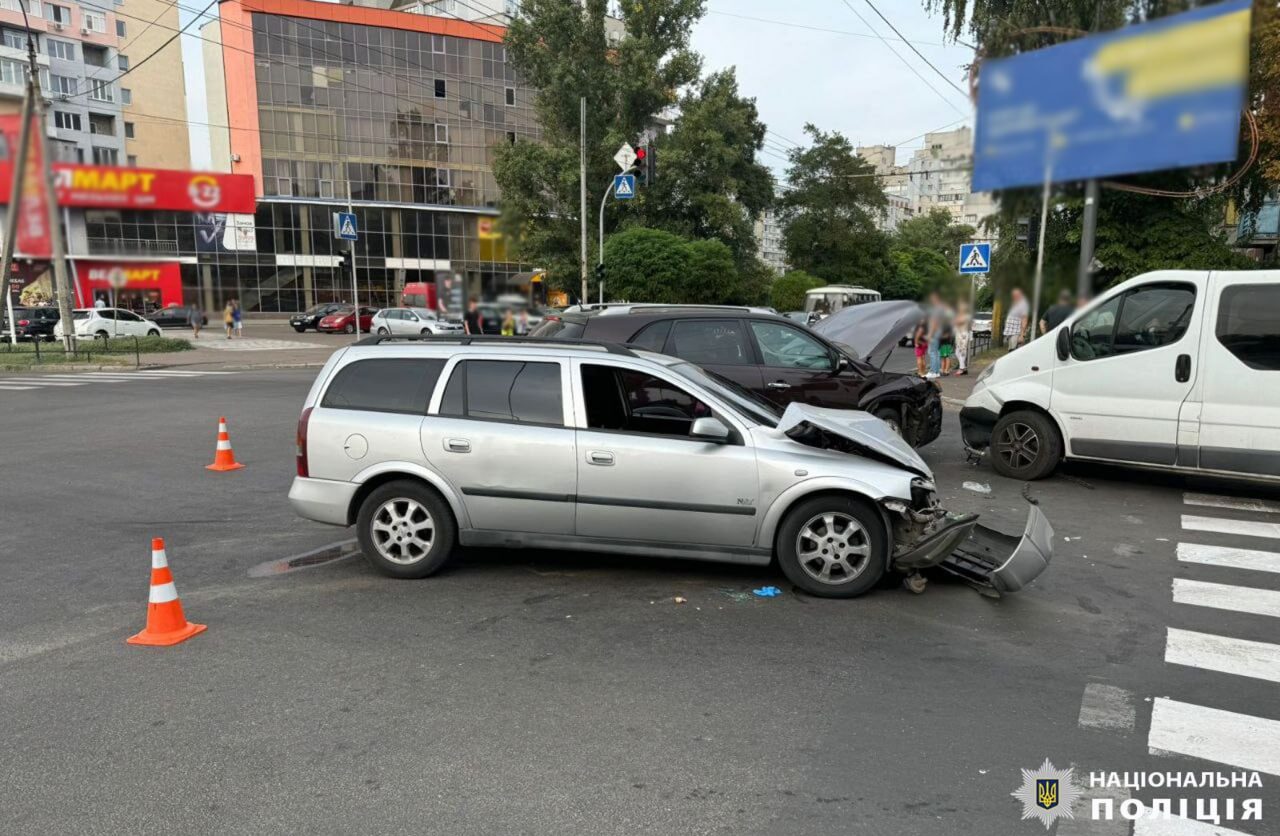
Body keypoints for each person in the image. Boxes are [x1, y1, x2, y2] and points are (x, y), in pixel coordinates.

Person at [953, 303, 971, 375]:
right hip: (959, 335)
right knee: (958, 352)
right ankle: (963, 368)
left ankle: (961, 369)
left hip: (963, 335)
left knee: (961, 352)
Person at [939, 303, 956, 375]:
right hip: (944, 342)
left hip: (945, 342)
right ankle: (943, 369)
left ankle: (946, 370)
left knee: (946, 357)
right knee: (943, 357)